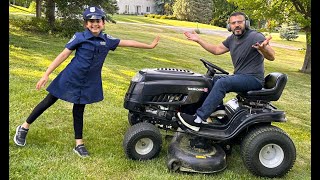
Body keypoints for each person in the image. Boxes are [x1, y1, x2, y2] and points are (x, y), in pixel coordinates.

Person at [13, 6, 160, 157]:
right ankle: (24, 127)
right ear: (85, 24)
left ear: (103, 23)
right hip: (70, 77)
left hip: (87, 82)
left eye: (97, 20)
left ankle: (79, 144)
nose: (94, 24)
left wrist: (149, 46)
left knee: (79, 110)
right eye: (91, 21)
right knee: (48, 101)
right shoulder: (79, 37)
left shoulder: (107, 40)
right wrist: (46, 74)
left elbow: (128, 42)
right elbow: (63, 55)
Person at [178, 12, 275, 131]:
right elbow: (216, 50)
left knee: (223, 82)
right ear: (229, 26)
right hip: (241, 76)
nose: (237, 25)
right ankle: (216, 108)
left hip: (254, 79)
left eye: (240, 22)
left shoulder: (255, 36)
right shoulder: (232, 39)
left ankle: (198, 119)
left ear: (246, 23)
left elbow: (272, 56)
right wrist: (199, 40)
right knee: (214, 79)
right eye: (233, 23)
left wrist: (263, 49)